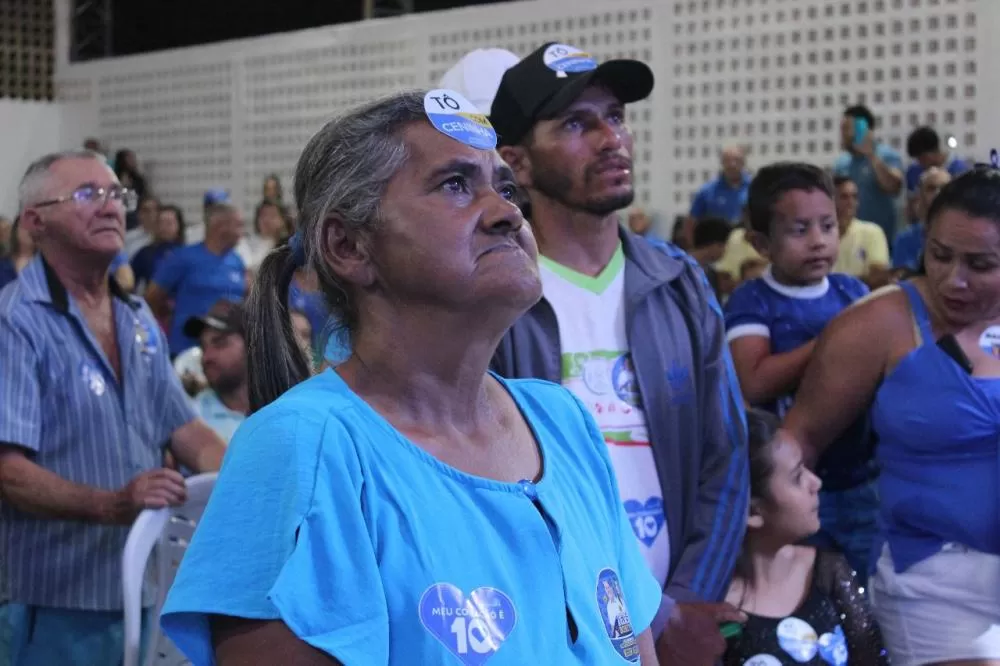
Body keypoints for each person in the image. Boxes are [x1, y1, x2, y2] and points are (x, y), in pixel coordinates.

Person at [160, 90, 663, 665]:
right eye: (455, 185)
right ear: (349, 246)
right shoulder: (302, 447)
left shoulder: (563, 420)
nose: (508, 214)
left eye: (505, 189)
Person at [486, 42, 748, 663]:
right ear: (517, 163)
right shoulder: (494, 297)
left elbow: (727, 456)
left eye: (615, 116)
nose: (611, 140)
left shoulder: (679, 282)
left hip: (678, 620)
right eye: (576, 124)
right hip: (551, 627)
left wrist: (681, 607)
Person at [0, 149, 225, 666]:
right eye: (87, 194)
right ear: (35, 222)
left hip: (143, 589)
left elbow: (187, 432)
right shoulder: (15, 321)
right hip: (54, 602)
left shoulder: (137, 316)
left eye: (116, 194)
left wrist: (251, 483)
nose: (110, 207)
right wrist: (111, 504)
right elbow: (8, 472)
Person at [781, 168, 1000, 663]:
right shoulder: (878, 323)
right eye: (940, 255)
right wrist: (785, 555)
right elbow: (797, 444)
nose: (953, 278)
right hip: (932, 579)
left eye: (981, 264)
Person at [724, 163, 877, 581]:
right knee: (802, 587)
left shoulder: (852, 292)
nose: (818, 241)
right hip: (789, 489)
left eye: (827, 226)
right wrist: (834, 339)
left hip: (860, 478)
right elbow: (755, 380)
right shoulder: (753, 300)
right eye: (799, 230)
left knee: (863, 586)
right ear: (761, 243)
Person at [722, 409, 888, 665]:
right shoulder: (715, 608)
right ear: (753, 512)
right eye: (797, 477)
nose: (816, 483)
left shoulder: (828, 571)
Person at [145, 202, 247, 357]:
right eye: (238, 225)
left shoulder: (237, 261)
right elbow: (152, 297)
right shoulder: (181, 258)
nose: (242, 232)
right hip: (185, 351)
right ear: (220, 227)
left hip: (226, 356)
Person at [832, 105, 904, 243]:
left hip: (883, 240)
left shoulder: (887, 156)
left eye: (846, 128)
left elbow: (894, 187)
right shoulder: (841, 163)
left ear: (862, 129)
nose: (842, 134)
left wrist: (871, 154)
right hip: (850, 241)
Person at [184, 300, 250, 444]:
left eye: (220, 343)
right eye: (203, 347)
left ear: (252, 345)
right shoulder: (190, 420)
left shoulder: (283, 408)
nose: (207, 357)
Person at [831, 176, 891, 289]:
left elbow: (879, 278)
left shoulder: (873, 232)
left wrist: (836, 287)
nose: (851, 202)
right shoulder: (821, 236)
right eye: (844, 197)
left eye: (855, 197)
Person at [892, 167, 951, 272]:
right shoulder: (905, 239)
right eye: (931, 188)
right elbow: (902, 276)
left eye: (944, 188)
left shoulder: (964, 236)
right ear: (921, 195)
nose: (938, 193)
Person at [689, 145, 752, 226]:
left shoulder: (754, 188)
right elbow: (691, 222)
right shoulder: (707, 191)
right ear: (722, 162)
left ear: (743, 162)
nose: (732, 164)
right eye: (727, 160)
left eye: (737, 160)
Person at [130, 203, 185, 293]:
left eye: (169, 223)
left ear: (179, 226)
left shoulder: (188, 254)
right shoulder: (145, 253)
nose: (164, 227)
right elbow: (130, 283)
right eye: (161, 223)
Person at [0, 217, 36, 291]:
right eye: (25, 226)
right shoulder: (3, 264)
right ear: (15, 230)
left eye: (33, 227)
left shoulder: (46, 265)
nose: (29, 231)